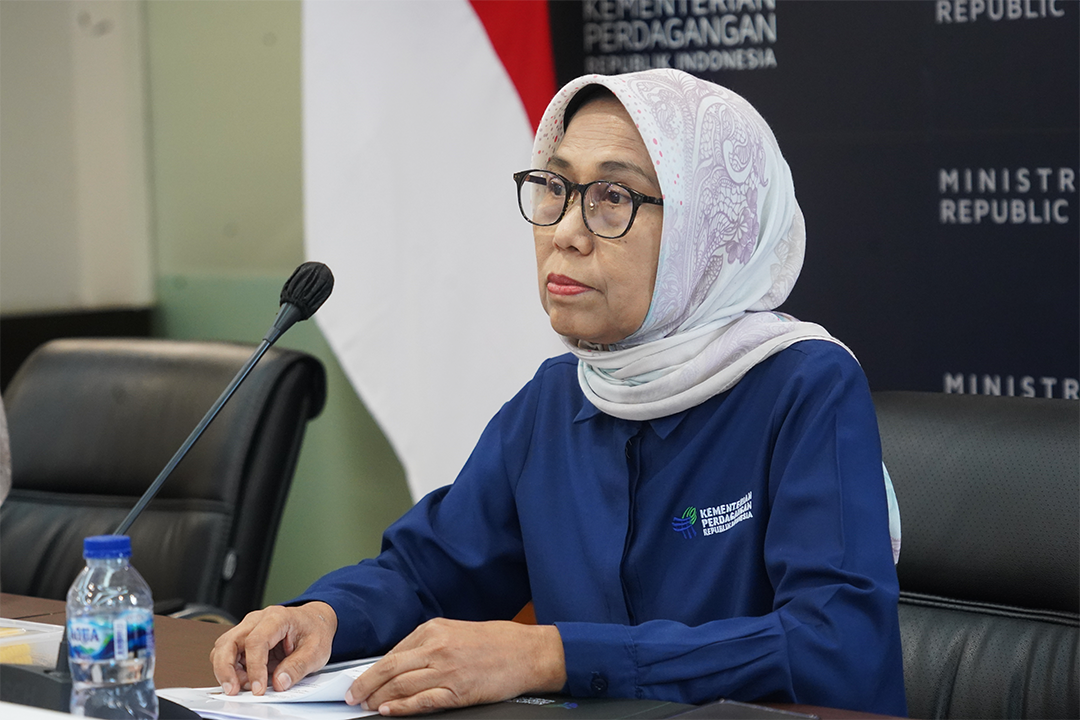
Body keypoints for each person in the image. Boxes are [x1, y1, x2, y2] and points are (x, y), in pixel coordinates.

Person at [211, 68, 907, 717]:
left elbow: (834, 645)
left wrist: (552, 656)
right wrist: (322, 616)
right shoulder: (558, 399)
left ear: (706, 229)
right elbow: (428, 572)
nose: (566, 232)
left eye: (614, 198)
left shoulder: (804, 386)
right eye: (556, 188)